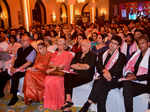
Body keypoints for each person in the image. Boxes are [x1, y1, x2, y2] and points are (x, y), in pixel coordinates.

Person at [79, 35, 126, 112]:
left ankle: (87, 103)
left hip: (114, 80)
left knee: (99, 82)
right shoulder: (103, 53)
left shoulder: (121, 56)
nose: (112, 44)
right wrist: (104, 71)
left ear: (118, 46)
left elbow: (117, 70)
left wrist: (107, 73)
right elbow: (98, 65)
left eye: (115, 43)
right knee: (102, 90)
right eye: (111, 42)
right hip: (103, 79)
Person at [0, 33, 36, 106]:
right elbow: (14, 58)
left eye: (24, 40)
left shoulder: (32, 50)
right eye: (21, 40)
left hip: (25, 69)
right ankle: (1, 92)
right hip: (16, 67)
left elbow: (28, 63)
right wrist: (12, 66)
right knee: (2, 74)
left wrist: (18, 69)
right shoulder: (19, 49)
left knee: (15, 76)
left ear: (29, 41)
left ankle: (14, 96)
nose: (22, 42)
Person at [62, 39, 97, 111]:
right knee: (67, 76)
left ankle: (67, 104)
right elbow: (72, 65)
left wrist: (78, 65)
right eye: (81, 45)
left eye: (84, 45)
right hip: (76, 74)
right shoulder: (78, 53)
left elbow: (87, 67)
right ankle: (68, 100)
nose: (82, 47)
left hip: (86, 76)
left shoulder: (93, 55)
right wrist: (81, 66)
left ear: (89, 46)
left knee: (68, 81)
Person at [121, 34, 150, 112]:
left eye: (143, 43)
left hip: (146, 84)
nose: (141, 45)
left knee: (126, 87)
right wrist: (129, 73)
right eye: (139, 44)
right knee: (126, 84)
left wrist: (136, 77)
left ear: (148, 43)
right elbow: (129, 67)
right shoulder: (137, 54)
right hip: (136, 81)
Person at [44, 38, 74, 110]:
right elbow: (50, 64)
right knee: (47, 81)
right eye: (58, 44)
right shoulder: (54, 53)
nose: (60, 46)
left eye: (61, 44)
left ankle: (58, 103)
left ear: (64, 45)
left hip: (62, 74)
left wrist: (54, 67)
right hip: (53, 73)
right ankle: (50, 103)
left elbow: (64, 66)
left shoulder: (68, 54)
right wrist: (56, 67)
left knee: (55, 81)